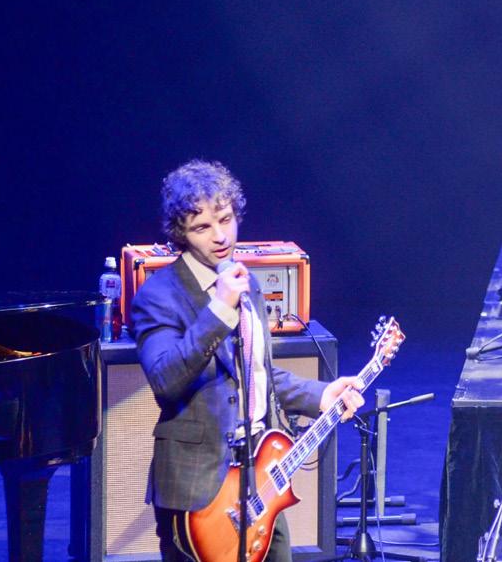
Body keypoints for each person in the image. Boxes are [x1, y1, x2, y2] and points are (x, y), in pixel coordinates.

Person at [131, 159, 365, 562]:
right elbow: (166, 380)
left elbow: (256, 371)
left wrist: (321, 394)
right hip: (199, 488)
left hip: (260, 475)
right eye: (202, 227)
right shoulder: (158, 297)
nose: (220, 235)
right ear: (180, 233)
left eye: (226, 219)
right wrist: (219, 309)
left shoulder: (248, 284)